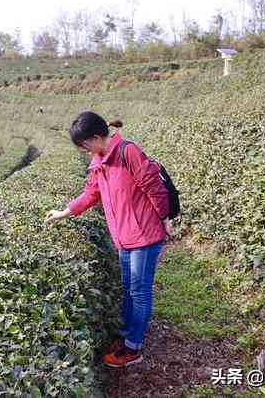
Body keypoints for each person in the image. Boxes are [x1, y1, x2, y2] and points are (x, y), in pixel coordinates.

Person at [44, 110, 174, 368]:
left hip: (145, 235)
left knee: (139, 291)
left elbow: (154, 188)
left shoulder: (128, 152)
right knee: (127, 288)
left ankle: (133, 348)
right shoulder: (98, 161)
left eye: (83, 145)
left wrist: (165, 218)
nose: (82, 150)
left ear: (94, 137)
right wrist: (63, 213)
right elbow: (90, 195)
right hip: (123, 237)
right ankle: (127, 337)